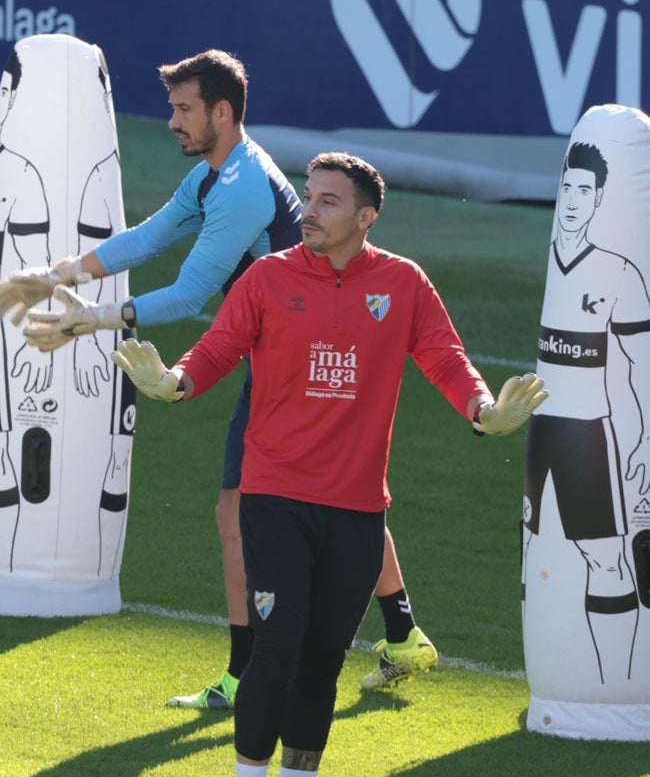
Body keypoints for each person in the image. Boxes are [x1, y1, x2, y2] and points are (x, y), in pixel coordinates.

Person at [99, 152, 546, 777]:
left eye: (328, 202)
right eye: (309, 197)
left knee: (324, 659)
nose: (309, 210)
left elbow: (444, 356)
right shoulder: (268, 278)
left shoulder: (402, 284)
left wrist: (485, 411)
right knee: (274, 651)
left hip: (359, 509)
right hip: (275, 498)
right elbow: (215, 350)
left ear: (366, 217)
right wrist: (174, 382)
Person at [0, 48, 437, 707]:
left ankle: (244, 674)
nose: (172, 120)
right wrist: (58, 274)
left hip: (291, 368)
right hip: (286, 356)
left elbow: (190, 292)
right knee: (337, 498)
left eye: (183, 109)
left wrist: (88, 319)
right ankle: (402, 633)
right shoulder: (216, 174)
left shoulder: (239, 189)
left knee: (241, 514)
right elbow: (150, 237)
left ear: (222, 112)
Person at [523, 140, 650, 684]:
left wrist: (641, 441)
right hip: (541, 430)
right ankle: (561, 680)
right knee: (533, 554)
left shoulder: (620, 271)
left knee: (606, 558)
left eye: (585, 191)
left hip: (589, 437)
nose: (574, 200)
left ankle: (615, 689)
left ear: (600, 199)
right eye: (567, 188)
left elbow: (641, 364)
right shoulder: (549, 265)